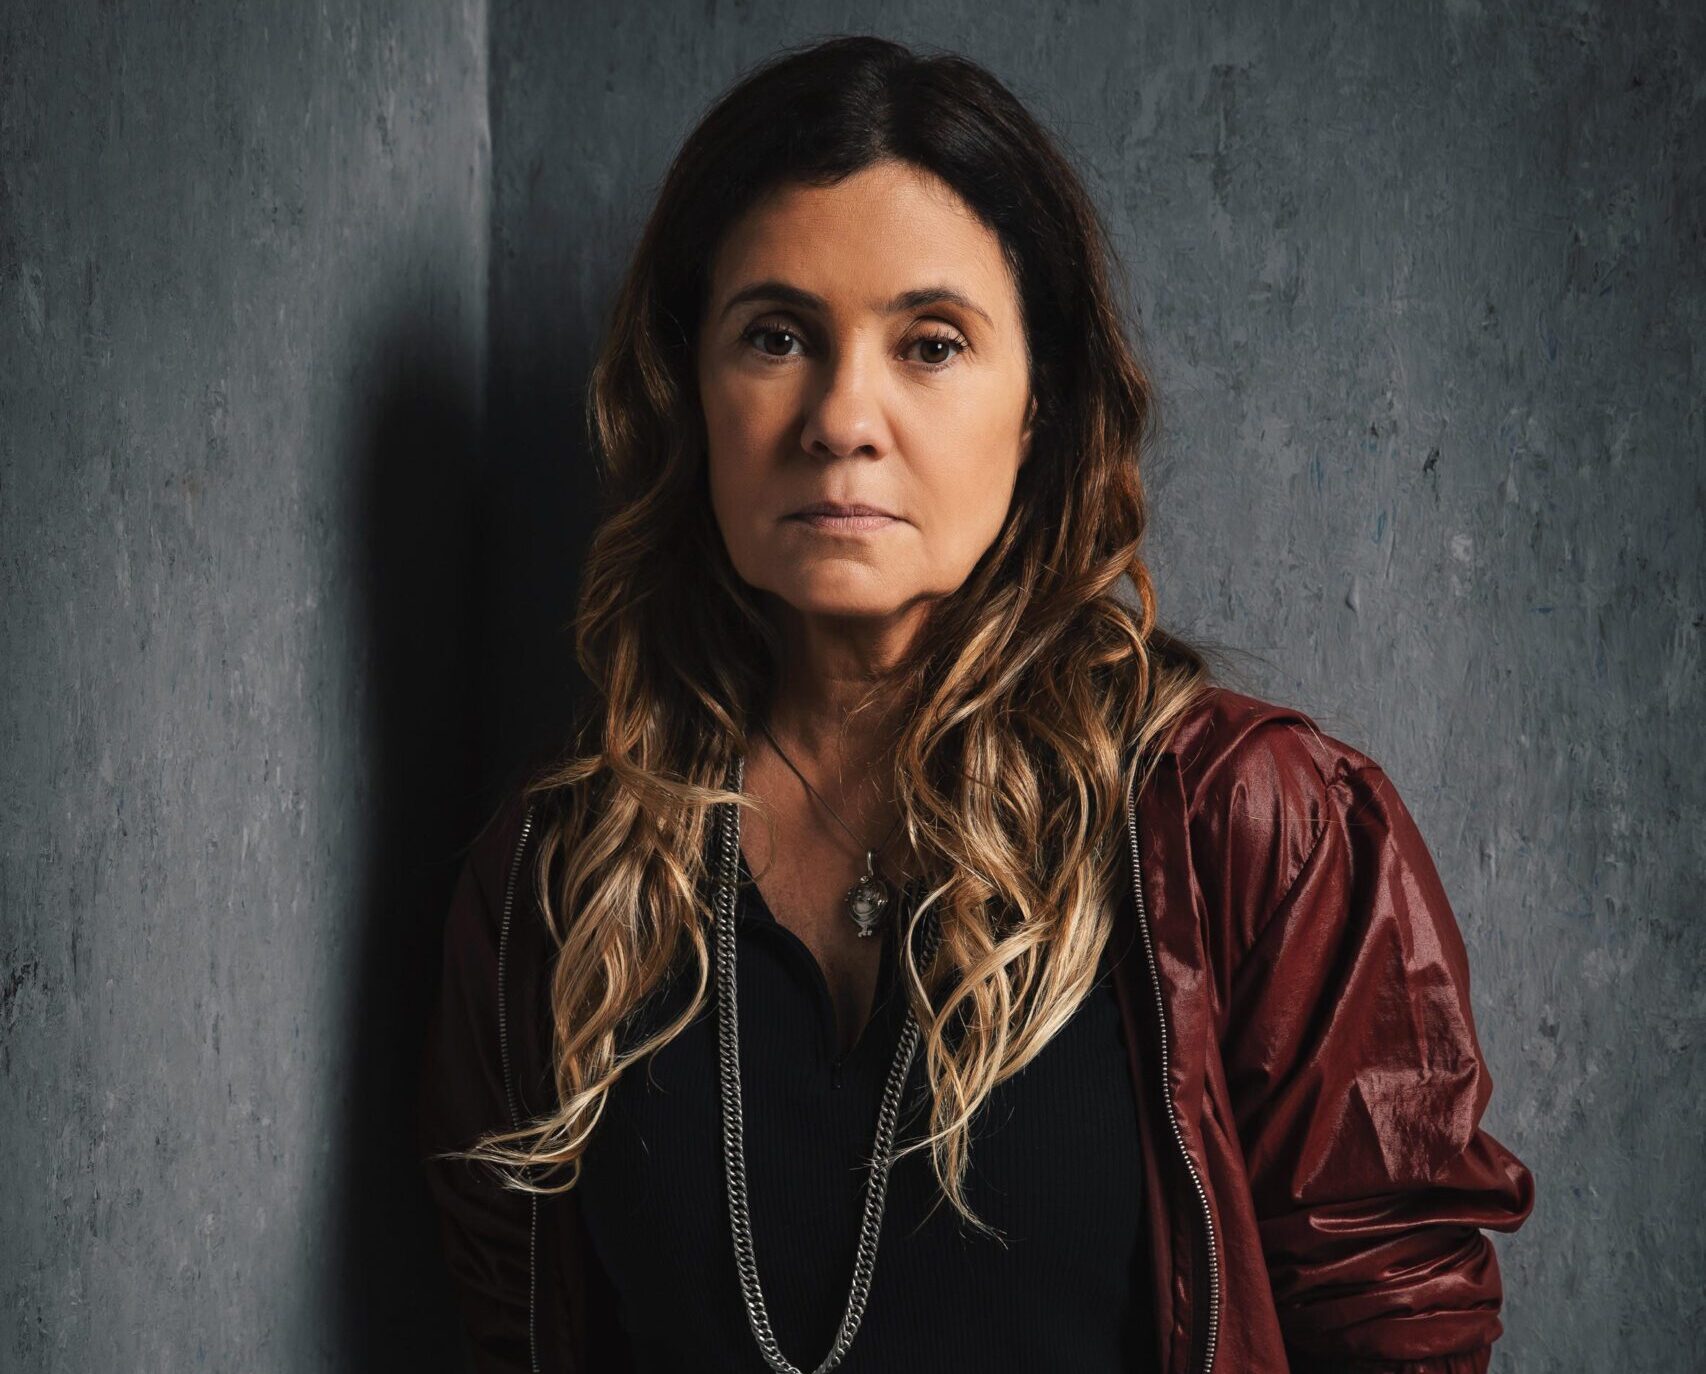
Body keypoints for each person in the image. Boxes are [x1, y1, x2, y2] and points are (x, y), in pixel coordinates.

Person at [416, 35, 1535, 1374]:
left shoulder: (1246, 828)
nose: (842, 418)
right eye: (775, 336)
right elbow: (515, 1325)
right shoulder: (554, 880)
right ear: (686, 390)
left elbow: (1399, 1335)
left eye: (930, 344)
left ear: (1039, 406)